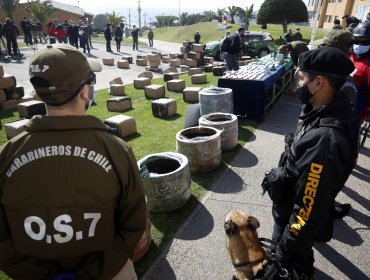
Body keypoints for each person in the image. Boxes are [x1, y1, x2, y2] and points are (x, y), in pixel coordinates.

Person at [0, 44, 146, 280]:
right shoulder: (116, 150)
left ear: (39, 93)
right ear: (85, 92)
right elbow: (133, 223)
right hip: (108, 273)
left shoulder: (7, 155)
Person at [262, 47, 359, 279]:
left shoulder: (325, 141)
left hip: (291, 224)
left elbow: (306, 211)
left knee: (291, 263)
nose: (298, 84)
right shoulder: (319, 108)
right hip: (287, 202)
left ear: (319, 82)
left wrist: (284, 251)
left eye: (302, 78)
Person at [349, 22, 370, 124]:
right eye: (357, 41)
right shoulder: (351, 55)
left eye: (364, 42)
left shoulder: (369, 64)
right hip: (339, 104)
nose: (359, 45)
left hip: (354, 112)